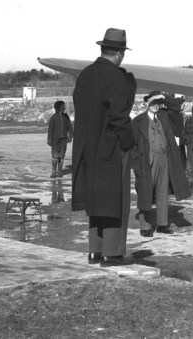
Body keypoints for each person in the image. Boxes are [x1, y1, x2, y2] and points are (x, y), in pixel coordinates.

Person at [71, 28, 136, 267]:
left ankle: (95, 251)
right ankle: (113, 253)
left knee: (97, 200)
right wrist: (129, 143)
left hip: (88, 149)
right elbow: (119, 116)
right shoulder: (116, 77)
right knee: (115, 201)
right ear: (119, 53)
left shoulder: (86, 74)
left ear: (102, 49)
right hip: (112, 148)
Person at [131, 91, 191, 237]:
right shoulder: (138, 121)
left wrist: (163, 97)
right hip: (147, 161)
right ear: (146, 104)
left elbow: (176, 107)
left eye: (158, 103)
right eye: (152, 103)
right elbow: (132, 146)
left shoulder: (165, 117)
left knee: (162, 193)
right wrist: (137, 167)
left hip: (164, 159)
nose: (156, 106)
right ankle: (145, 226)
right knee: (146, 192)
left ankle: (162, 224)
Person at [47, 100, 73, 178]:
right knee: (55, 155)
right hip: (55, 139)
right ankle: (54, 171)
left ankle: (59, 171)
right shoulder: (53, 117)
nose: (64, 107)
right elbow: (50, 129)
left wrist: (70, 136)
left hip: (64, 139)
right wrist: (49, 139)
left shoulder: (66, 116)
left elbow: (69, 127)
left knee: (62, 156)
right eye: (63, 106)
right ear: (58, 108)